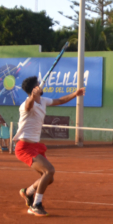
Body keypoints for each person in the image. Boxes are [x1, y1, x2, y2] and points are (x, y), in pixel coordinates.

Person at [14, 76, 85, 216]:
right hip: (24, 147)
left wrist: (75, 94)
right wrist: (33, 96)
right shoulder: (26, 104)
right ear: (33, 89)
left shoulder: (43, 101)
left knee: (49, 178)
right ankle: (36, 205)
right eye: (38, 85)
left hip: (36, 146)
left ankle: (28, 192)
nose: (40, 86)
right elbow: (29, 105)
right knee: (50, 170)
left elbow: (60, 100)